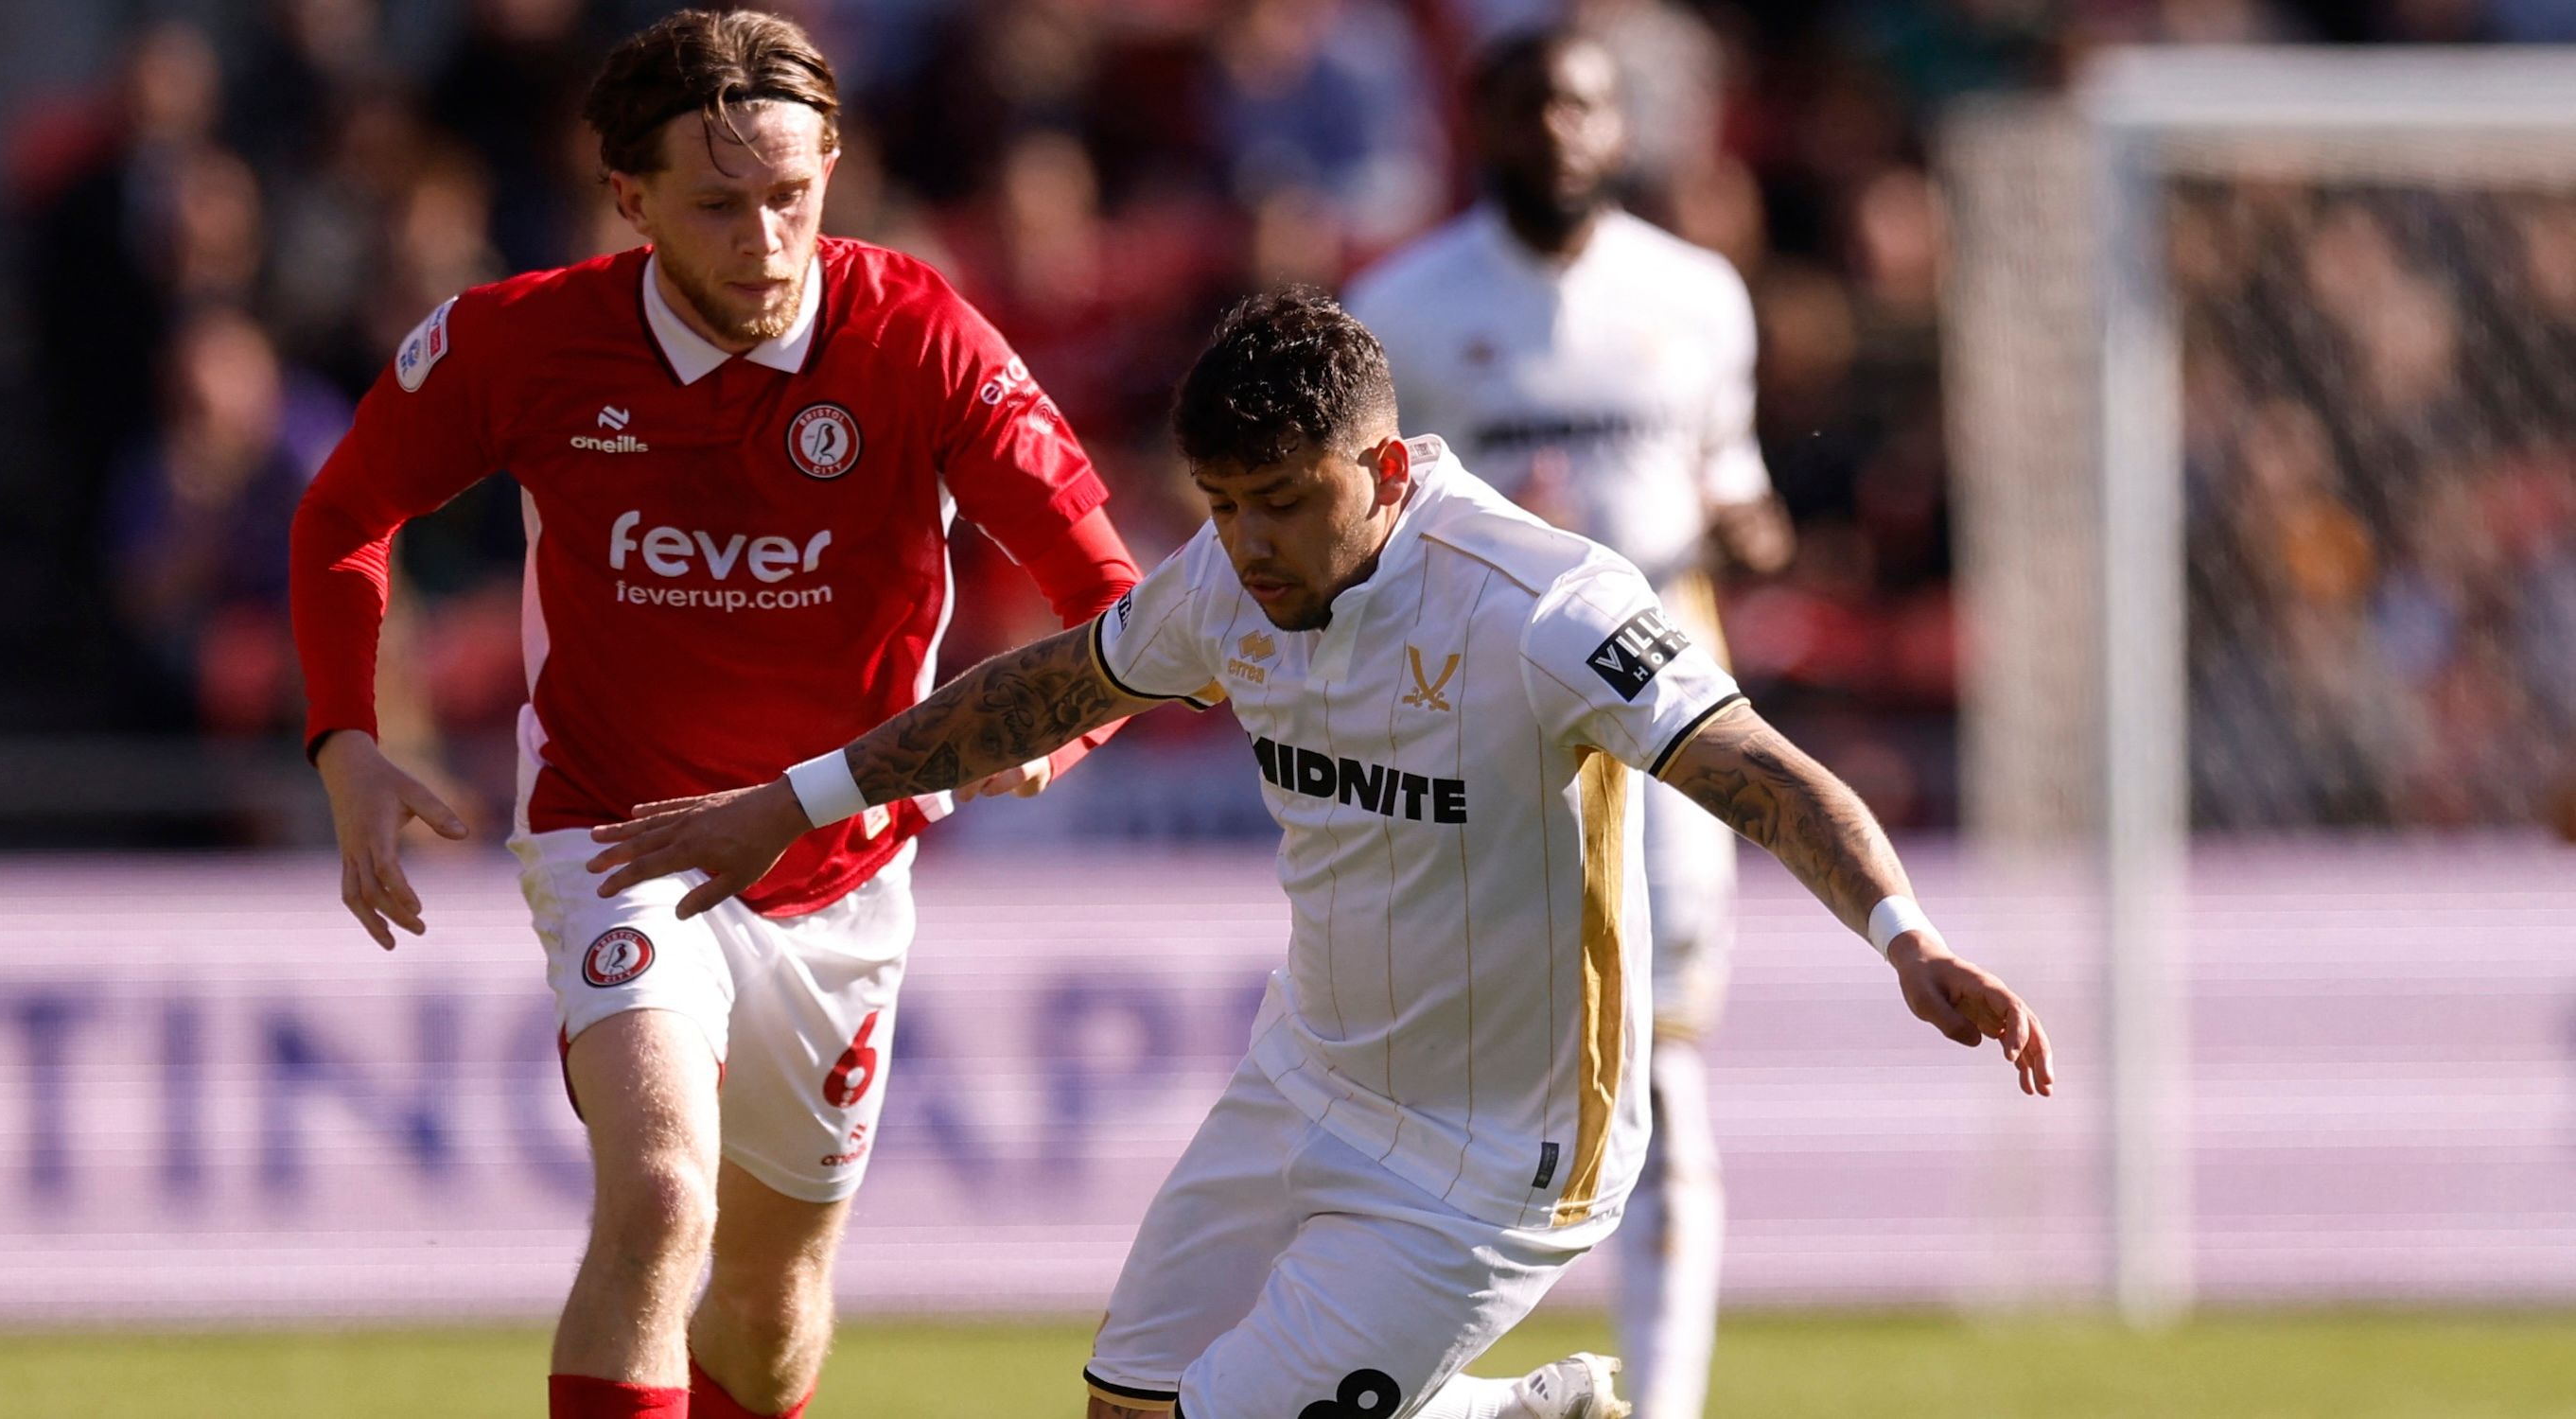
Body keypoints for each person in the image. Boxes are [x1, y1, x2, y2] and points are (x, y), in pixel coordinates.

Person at [588, 290, 2057, 1419]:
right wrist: (792, 799)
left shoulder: (1539, 606)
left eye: (1286, 500)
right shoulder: (1228, 584)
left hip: (1497, 1160)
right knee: (1128, 1403)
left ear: (1390, 466)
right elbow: (1042, 688)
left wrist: (1904, 934)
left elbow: (1758, 767)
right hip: (1310, 1079)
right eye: (1223, 505)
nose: (1250, 545)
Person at [285, 12, 1140, 1419]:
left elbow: (1108, 591)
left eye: (792, 196)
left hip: (844, 873)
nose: (764, 240)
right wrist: (344, 738)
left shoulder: (918, 335)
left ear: (834, 168)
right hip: (621, 842)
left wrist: (1070, 725)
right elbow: (341, 515)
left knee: (768, 1308)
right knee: (663, 1194)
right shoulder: (524, 342)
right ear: (629, 200)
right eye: (719, 204)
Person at [1344, 28, 1793, 1417]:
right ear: (1477, 124)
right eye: (1531, 103)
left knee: (1662, 1062)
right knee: (1426, 1074)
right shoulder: (1400, 307)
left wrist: (1759, 533)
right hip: (1468, 714)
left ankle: (1660, 1405)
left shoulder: (1698, 295)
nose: (1559, 128)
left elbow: (1733, 489)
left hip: (1662, 690)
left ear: (1621, 126)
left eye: (1584, 104)